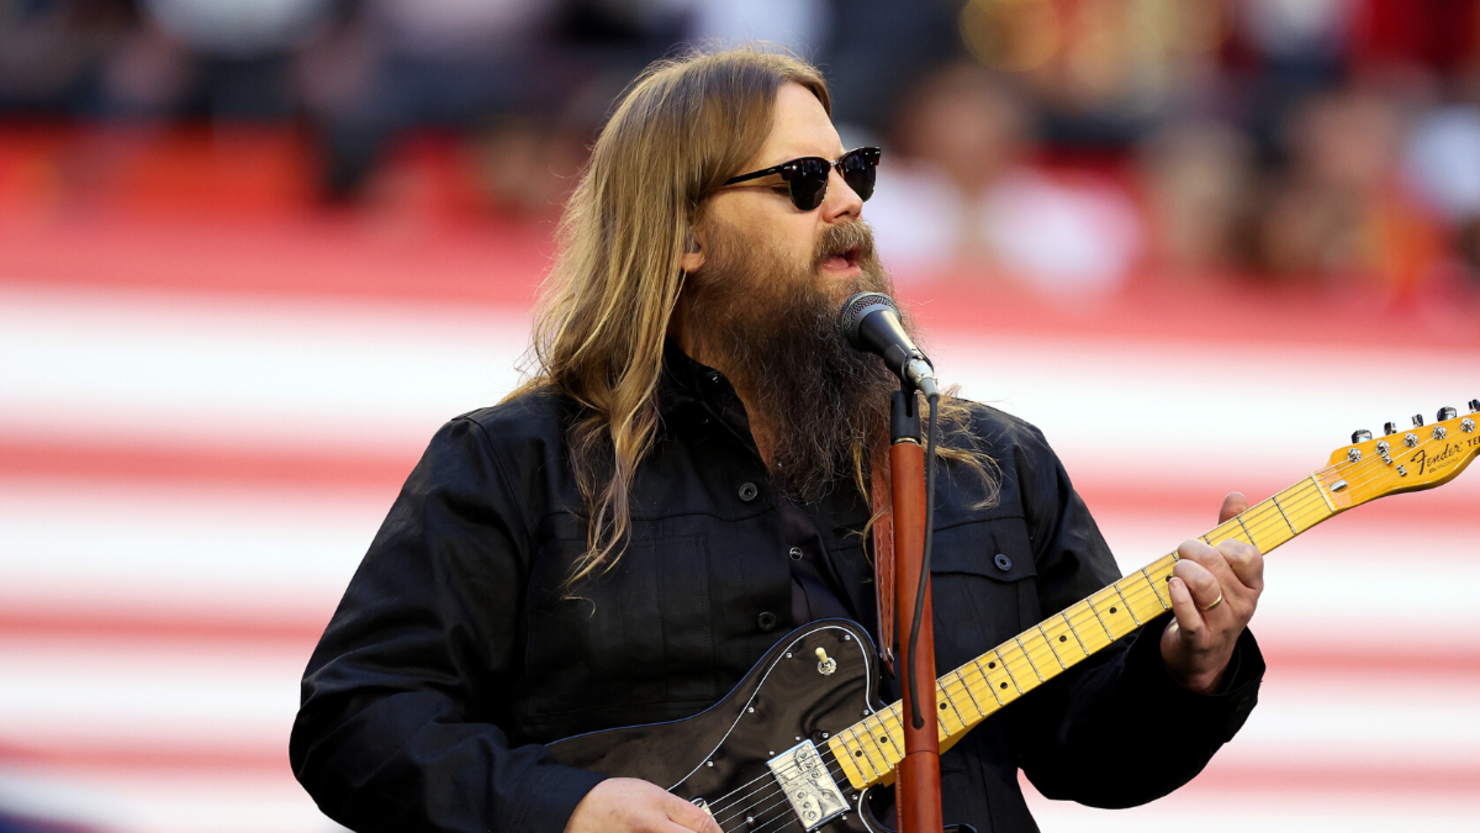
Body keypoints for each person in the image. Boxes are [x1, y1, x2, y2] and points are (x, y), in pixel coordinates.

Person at [290, 47, 1266, 833]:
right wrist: (566, 808)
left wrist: (1190, 667)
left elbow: (1087, 756)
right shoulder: (516, 460)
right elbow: (357, 719)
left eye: (856, 170)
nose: (847, 201)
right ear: (683, 235)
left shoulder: (988, 461)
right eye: (801, 180)